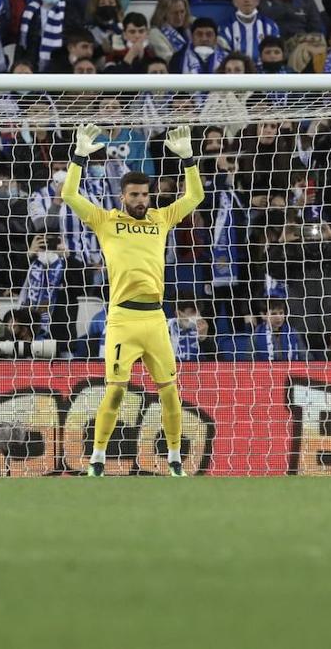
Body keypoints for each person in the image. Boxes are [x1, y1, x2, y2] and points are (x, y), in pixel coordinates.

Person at [62, 122, 204, 477]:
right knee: (114, 393)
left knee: (170, 393)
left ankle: (174, 457)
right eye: (135, 195)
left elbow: (195, 197)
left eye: (145, 194)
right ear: (123, 197)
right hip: (122, 319)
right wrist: (78, 156)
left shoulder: (161, 218)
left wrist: (188, 159)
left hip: (155, 319)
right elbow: (69, 195)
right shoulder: (106, 221)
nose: (141, 200)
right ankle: (97, 457)